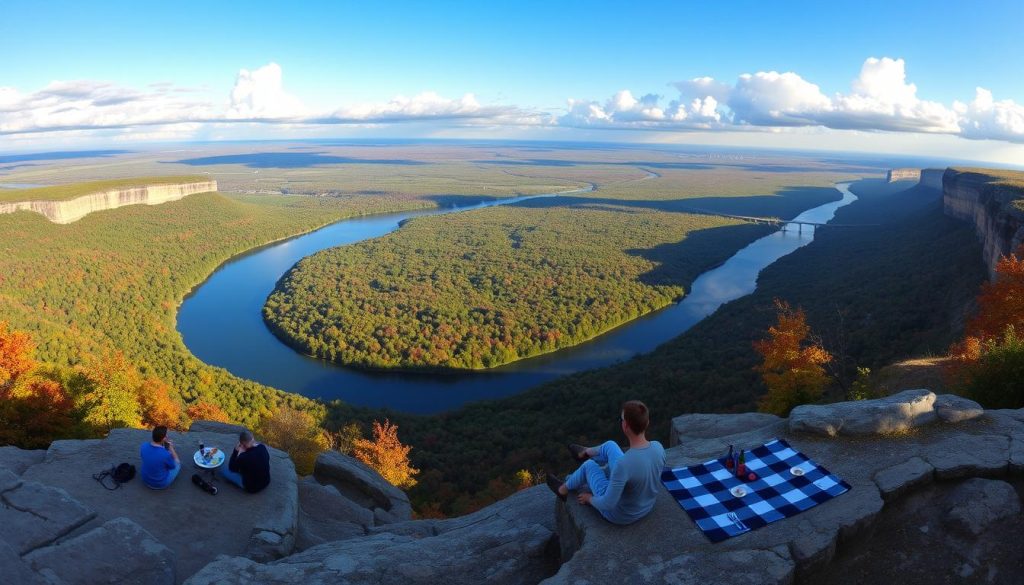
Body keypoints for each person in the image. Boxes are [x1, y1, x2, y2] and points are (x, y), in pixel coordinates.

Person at [546, 400, 666, 525]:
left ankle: (562, 490)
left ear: (625, 426)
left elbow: (608, 504)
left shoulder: (624, 464)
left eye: (622, 419)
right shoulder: (658, 447)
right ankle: (585, 452)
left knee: (589, 465)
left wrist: (589, 499)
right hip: (647, 506)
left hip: (620, 514)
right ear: (647, 422)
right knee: (610, 445)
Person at [140, 425, 181, 489]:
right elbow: (172, 466)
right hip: (159, 484)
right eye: (166, 435)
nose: (167, 436)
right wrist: (171, 448)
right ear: (163, 438)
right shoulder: (166, 454)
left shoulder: (144, 446)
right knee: (178, 464)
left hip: (145, 480)